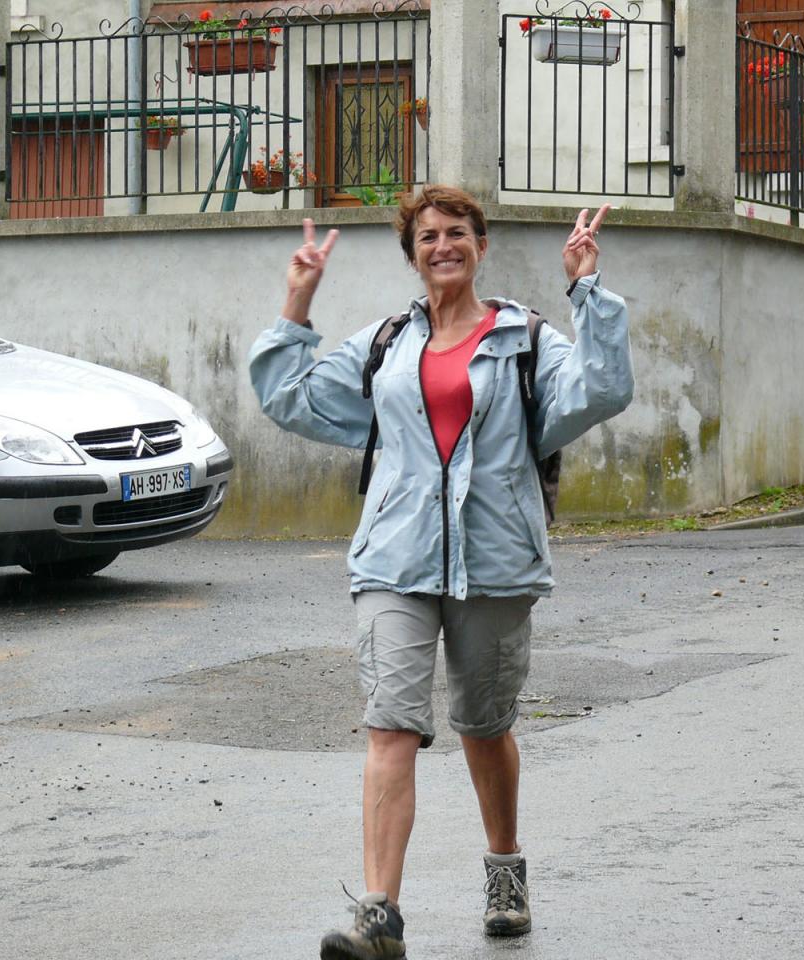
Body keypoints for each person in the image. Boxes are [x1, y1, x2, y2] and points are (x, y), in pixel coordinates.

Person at [248, 186, 633, 959]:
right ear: (413, 252)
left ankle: (504, 868)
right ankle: (379, 913)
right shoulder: (387, 342)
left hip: (495, 561)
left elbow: (602, 389)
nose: (443, 246)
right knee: (390, 725)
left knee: (484, 727)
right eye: (428, 236)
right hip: (397, 556)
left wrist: (587, 290)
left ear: (480, 246)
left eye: (457, 232)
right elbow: (289, 398)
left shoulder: (525, 338)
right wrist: (297, 300)